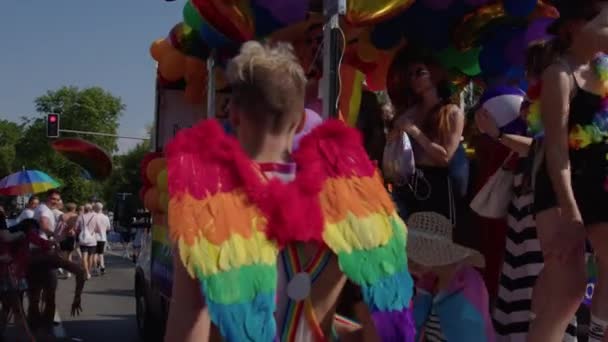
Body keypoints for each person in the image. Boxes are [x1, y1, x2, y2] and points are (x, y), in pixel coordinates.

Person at [164, 41, 413, 342]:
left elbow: (190, 321)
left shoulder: (205, 203)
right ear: (298, 121)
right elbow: (385, 321)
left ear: (235, 115)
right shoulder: (353, 201)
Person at [529, 1, 608, 341]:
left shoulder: (605, 70)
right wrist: (571, 214)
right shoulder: (558, 74)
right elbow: (556, 152)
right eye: (598, 17)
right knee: (568, 292)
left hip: (597, 184)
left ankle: (598, 333)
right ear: (573, 28)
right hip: (560, 189)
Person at [389, 52, 465, 226]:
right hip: (406, 185)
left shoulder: (451, 112)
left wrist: (415, 132)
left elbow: (444, 158)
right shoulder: (408, 112)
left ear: (435, 74)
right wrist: (394, 136)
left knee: (435, 242)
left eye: (419, 73)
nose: (413, 79)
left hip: (436, 187)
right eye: (410, 75)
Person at [408, 212, 493, 342]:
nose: (409, 263)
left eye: (413, 257)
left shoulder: (468, 286)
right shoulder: (430, 282)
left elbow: (472, 335)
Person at [57, 203, 78, 278]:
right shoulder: (76, 216)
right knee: (69, 255)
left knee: (64, 254)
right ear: (74, 209)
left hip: (63, 236)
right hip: (71, 236)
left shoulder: (62, 216)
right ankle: (68, 271)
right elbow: (77, 227)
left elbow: (58, 226)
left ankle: (66, 270)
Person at [77, 204, 97, 279]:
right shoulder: (95, 217)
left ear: (84, 209)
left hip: (83, 239)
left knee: (84, 256)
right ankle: (89, 271)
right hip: (92, 239)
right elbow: (97, 228)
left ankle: (86, 273)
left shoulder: (80, 217)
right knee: (90, 256)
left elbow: (76, 227)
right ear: (91, 209)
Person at [92, 202, 110, 275]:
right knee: (101, 253)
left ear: (95, 208)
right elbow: (108, 228)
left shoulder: (93, 217)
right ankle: (102, 267)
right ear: (101, 208)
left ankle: (96, 268)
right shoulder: (106, 217)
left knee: (95, 253)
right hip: (102, 237)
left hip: (94, 237)